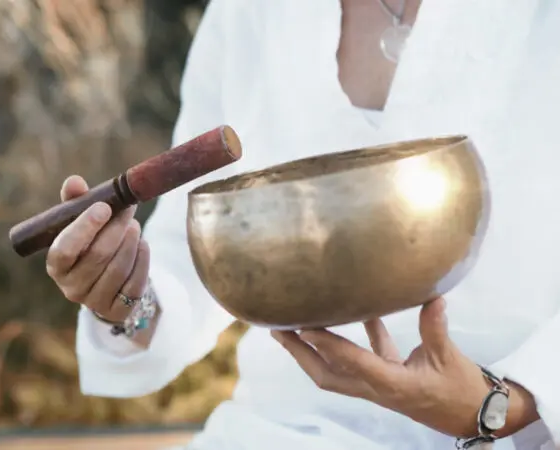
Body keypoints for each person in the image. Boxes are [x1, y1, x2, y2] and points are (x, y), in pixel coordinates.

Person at [45, 0, 560, 448]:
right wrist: (126, 298)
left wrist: (505, 404)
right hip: (278, 432)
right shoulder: (252, 11)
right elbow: (187, 262)